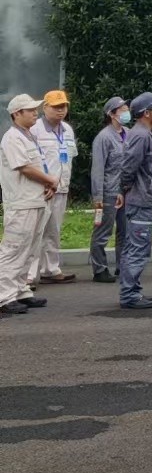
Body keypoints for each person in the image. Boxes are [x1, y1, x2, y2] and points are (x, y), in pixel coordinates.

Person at [0, 94, 57, 316]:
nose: (35, 113)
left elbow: (38, 165)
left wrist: (48, 184)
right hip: (21, 203)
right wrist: (49, 180)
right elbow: (24, 167)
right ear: (17, 114)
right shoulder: (12, 138)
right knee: (14, 250)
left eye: (35, 109)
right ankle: (4, 296)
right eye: (30, 110)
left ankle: (21, 290)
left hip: (36, 200)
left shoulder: (29, 135)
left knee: (30, 249)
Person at [117, 92, 152, 311]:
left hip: (139, 198)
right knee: (138, 248)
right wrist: (124, 188)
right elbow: (129, 167)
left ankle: (131, 290)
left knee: (133, 247)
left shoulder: (141, 134)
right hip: (140, 200)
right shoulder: (141, 135)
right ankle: (130, 295)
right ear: (146, 113)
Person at [29, 90, 78, 285]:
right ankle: (29, 275)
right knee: (36, 231)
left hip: (61, 188)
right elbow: (32, 161)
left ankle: (50, 269)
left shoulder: (67, 130)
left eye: (63, 106)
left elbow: (69, 158)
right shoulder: (35, 129)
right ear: (45, 107)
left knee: (53, 231)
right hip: (43, 189)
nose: (61, 110)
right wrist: (44, 183)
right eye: (56, 107)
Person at [89, 97, 131, 283]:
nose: (126, 112)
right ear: (111, 114)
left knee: (125, 231)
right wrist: (98, 196)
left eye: (126, 109)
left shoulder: (129, 133)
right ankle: (99, 269)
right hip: (109, 192)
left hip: (126, 191)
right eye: (122, 110)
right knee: (103, 231)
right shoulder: (103, 137)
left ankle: (123, 266)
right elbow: (98, 168)